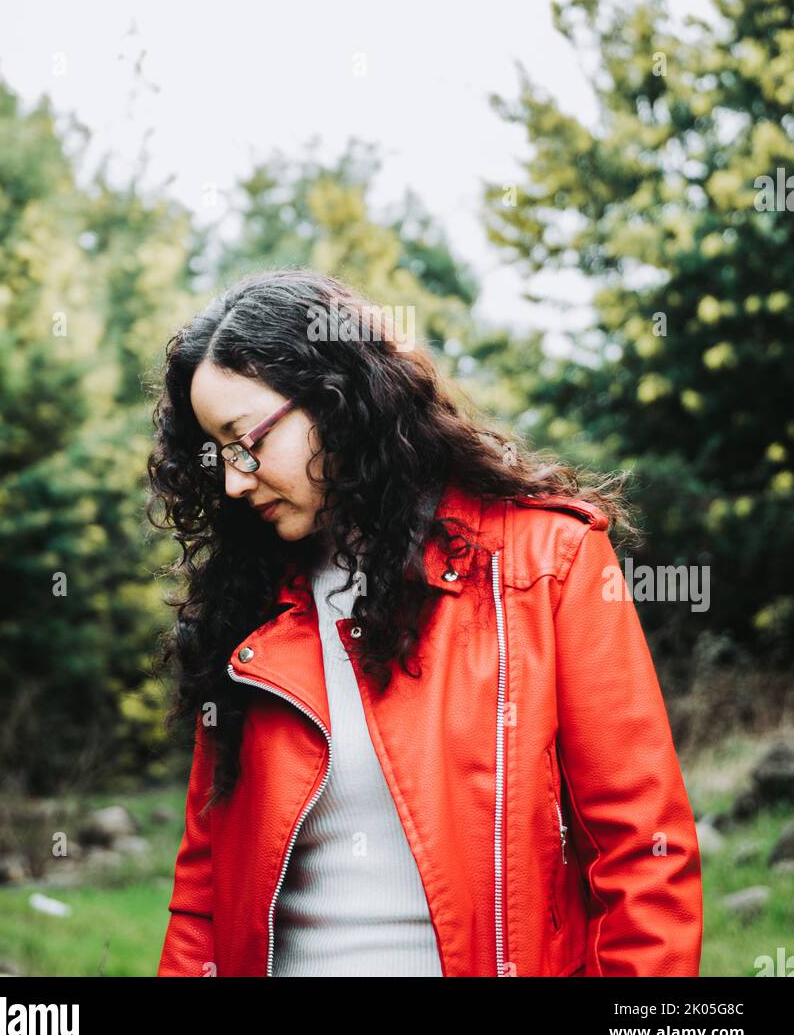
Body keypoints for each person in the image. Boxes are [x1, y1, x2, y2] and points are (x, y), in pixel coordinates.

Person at [148, 268, 703, 977]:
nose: (233, 478)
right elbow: (202, 897)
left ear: (336, 399)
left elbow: (643, 853)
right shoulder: (243, 610)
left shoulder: (549, 561)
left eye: (244, 439)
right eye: (217, 453)